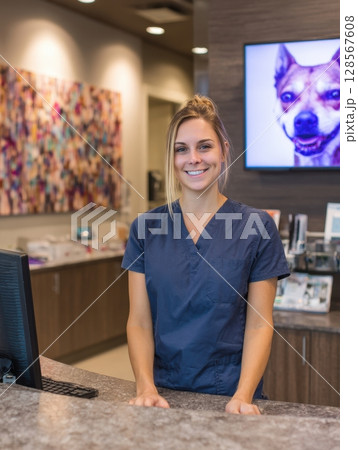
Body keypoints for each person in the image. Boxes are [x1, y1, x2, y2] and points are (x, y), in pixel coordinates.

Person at [122, 95, 290, 415]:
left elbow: (259, 323)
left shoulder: (256, 227)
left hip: (230, 396)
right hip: (163, 396)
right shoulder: (145, 229)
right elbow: (140, 322)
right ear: (172, 159)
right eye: (181, 149)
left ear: (223, 150)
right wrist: (145, 387)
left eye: (204, 146)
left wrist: (243, 396)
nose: (193, 159)